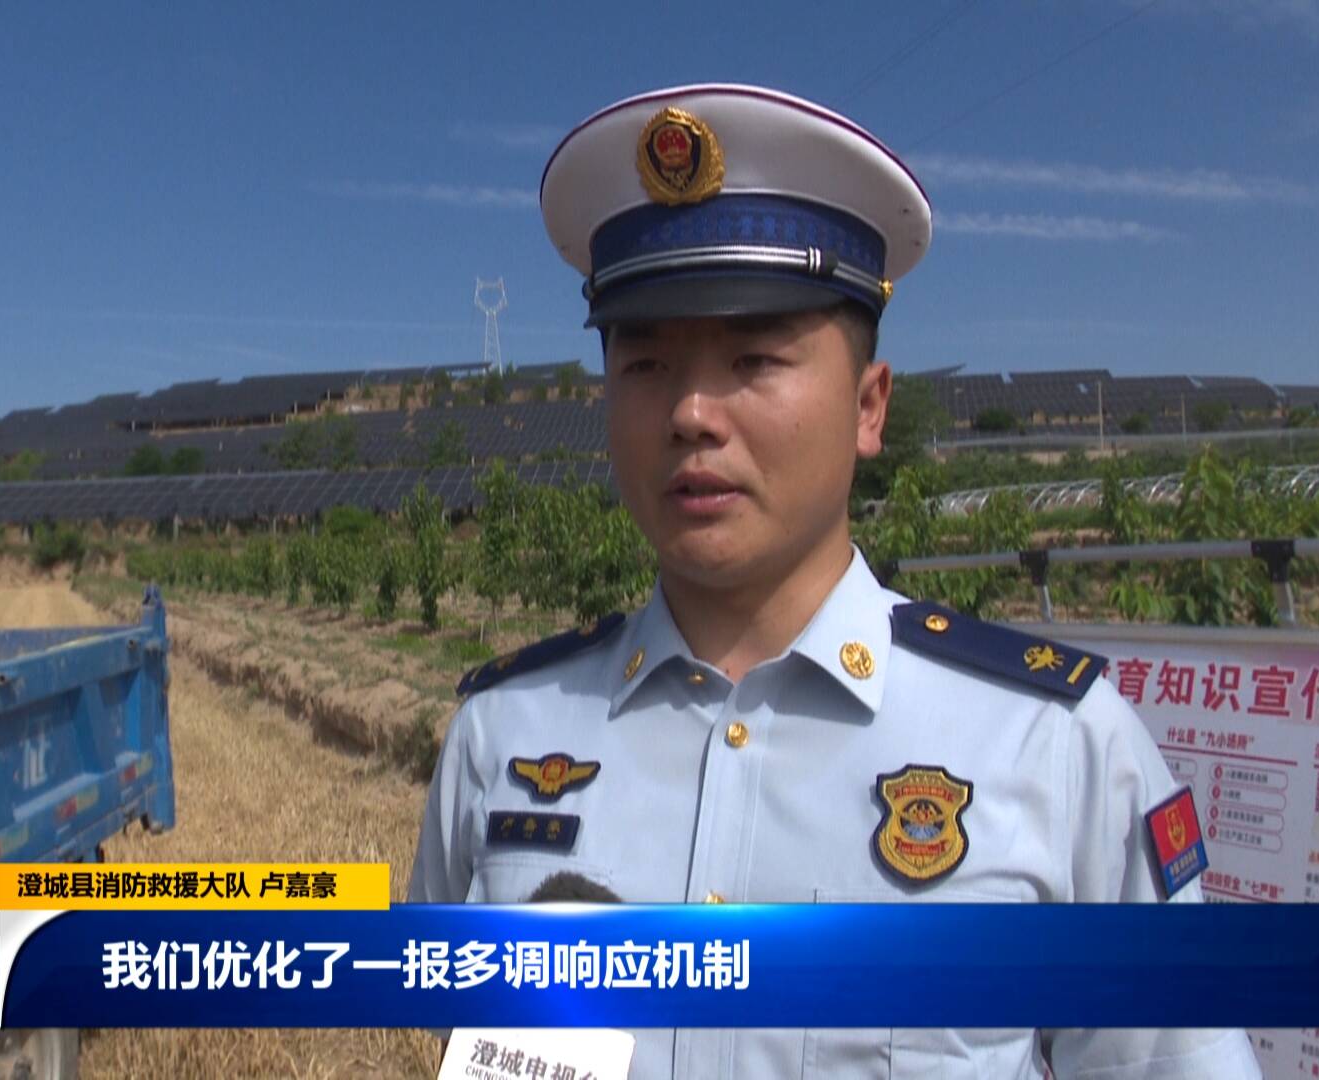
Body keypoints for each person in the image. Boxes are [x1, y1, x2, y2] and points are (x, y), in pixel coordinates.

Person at [407, 84, 1262, 1079]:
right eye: (644, 365)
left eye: (753, 358)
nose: (691, 413)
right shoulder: (502, 734)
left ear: (868, 407)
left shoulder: (1055, 749)